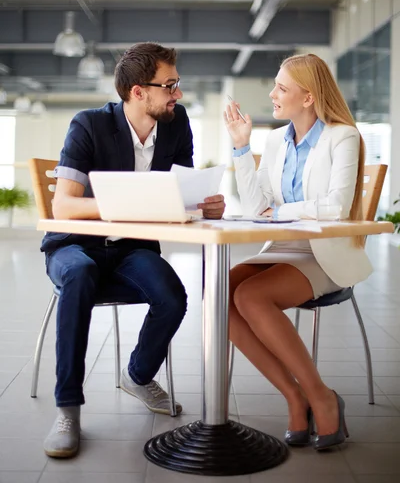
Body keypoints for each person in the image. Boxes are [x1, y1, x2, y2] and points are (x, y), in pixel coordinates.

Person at [41, 42, 225, 458]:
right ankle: (68, 408)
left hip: (131, 250)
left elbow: (184, 194)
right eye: (169, 85)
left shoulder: (177, 126)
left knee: (172, 296)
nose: (177, 93)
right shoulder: (88, 124)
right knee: (79, 275)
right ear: (138, 92)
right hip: (75, 245)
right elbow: (64, 205)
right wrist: (124, 205)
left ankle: (138, 376)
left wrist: (205, 202)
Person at [224, 53, 371, 451]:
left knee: (251, 295)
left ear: (308, 98)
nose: (272, 94)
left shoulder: (343, 136)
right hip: (284, 247)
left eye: (281, 88)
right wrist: (241, 147)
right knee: (220, 297)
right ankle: (295, 397)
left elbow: (336, 206)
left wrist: (282, 211)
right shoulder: (274, 140)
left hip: (324, 251)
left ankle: (319, 396)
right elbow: (257, 208)